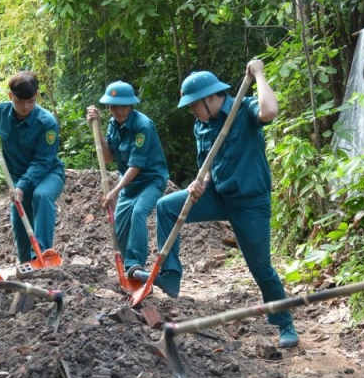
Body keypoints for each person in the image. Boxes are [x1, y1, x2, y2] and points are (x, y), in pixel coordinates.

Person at [139, 60, 299, 348]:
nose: (191, 112)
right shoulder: (201, 125)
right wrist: (199, 184)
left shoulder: (244, 108)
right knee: (166, 206)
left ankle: (284, 322)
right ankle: (171, 275)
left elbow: (270, 111)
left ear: (210, 98)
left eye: (193, 105)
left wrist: (259, 74)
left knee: (260, 267)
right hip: (219, 195)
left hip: (249, 202)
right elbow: (208, 167)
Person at [0, 71, 65, 264]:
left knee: (42, 195)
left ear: (36, 96)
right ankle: (25, 265)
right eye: (19, 101)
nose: (25, 107)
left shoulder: (46, 122)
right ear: (10, 97)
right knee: (20, 222)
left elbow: (42, 163)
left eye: (30, 101)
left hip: (47, 174)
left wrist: (22, 185)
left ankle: (41, 256)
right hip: (17, 179)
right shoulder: (2, 112)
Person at [86, 81, 169, 278]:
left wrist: (115, 191)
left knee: (138, 213)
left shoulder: (143, 125)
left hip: (151, 181)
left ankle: (135, 266)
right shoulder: (113, 125)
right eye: (114, 106)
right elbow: (108, 157)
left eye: (123, 105)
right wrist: (95, 128)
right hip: (129, 185)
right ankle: (128, 271)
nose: (119, 110)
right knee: (120, 226)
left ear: (131, 105)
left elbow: (136, 165)